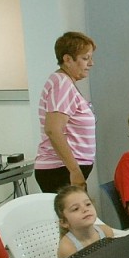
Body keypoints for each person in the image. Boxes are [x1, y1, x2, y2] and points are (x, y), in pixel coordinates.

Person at [34, 31, 97, 193]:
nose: (91, 64)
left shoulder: (65, 82)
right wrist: (75, 171)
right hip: (61, 170)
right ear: (67, 59)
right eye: (85, 58)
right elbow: (53, 129)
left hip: (65, 169)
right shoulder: (61, 84)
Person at [54, 185, 115, 258]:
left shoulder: (106, 231)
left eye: (88, 204)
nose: (85, 209)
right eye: (76, 209)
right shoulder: (67, 247)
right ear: (64, 222)